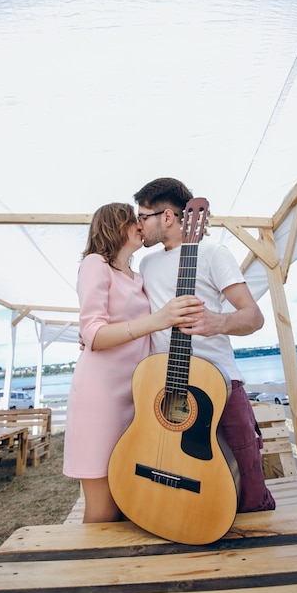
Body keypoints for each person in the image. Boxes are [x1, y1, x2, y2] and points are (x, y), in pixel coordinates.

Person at [133, 177, 275, 513]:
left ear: (167, 217)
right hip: (167, 389)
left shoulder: (213, 253)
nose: (138, 225)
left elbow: (254, 317)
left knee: (248, 480)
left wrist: (218, 321)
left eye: (143, 217)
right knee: (179, 474)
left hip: (220, 384)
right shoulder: (146, 264)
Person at [63, 202, 203, 523]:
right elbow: (94, 334)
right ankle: (93, 572)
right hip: (100, 399)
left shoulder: (138, 278)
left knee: (131, 495)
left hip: (138, 399)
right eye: (133, 221)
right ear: (115, 226)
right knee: (104, 509)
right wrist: (158, 319)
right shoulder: (95, 265)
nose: (141, 226)